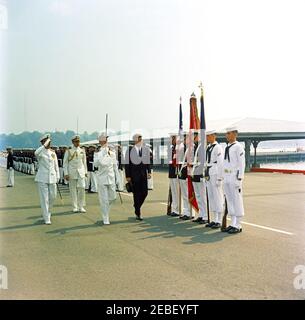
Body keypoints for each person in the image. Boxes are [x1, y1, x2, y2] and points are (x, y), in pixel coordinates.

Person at [222, 126, 245, 234]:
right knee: (230, 201)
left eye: (229, 133)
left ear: (235, 134)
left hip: (234, 177)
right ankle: (233, 223)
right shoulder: (228, 147)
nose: (227, 135)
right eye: (226, 133)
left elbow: (241, 165)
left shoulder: (238, 147)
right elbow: (225, 163)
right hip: (227, 177)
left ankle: (238, 224)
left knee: (236, 200)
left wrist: (239, 179)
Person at [94, 133, 119, 225]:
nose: (105, 141)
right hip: (102, 178)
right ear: (100, 141)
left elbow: (115, 166)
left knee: (113, 197)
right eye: (104, 139)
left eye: (106, 139)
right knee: (103, 199)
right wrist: (102, 154)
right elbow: (96, 165)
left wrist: (118, 179)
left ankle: (105, 211)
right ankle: (105, 217)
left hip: (111, 178)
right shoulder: (97, 153)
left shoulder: (112, 153)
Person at [124, 133, 151, 221]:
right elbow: (127, 164)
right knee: (136, 194)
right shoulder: (130, 150)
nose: (140, 140)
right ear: (135, 140)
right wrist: (127, 175)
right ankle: (138, 213)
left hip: (143, 175)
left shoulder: (145, 149)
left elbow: (147, 162)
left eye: (141, 138)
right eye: (139, 138)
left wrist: (149, 172)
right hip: (134, 176)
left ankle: (137, 205)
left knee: (145, 193)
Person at [34, 134, 59, 225]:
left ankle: (48, 212)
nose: (49, 143)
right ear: (42, 142)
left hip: (52, 177)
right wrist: (44, 145)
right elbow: (36, 153)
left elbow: (56, 165)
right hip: (42, 177)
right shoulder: (40, 152)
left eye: (49, 141)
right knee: (44, 198)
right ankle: (46, 217)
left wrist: (58, 176)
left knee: (53, 196)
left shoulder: (53, 152)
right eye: (47, 141)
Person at [205, 130, 224, 229]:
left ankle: (219, 220)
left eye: (208, 136)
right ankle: (214, 218)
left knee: (218, 197)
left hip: (216, 173)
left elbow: (221, 163)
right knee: (211, 197)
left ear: (213, 136)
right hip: (209, 172)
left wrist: (220, 178)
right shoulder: (208, 147)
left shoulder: (218, 148)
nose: (207, 138)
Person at [63, 135, 88, 213]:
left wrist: (85, 172)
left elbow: (84, 162)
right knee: (73, 190)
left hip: (81, 171)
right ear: (73, 142)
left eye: (78, 141)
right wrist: (66, 173)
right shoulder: (69, 150)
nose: (78, 143)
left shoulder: (82, 150)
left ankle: (81, 206)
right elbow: (65, 163)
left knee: (82, 188)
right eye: (76, 141)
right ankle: (75, 206)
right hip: (72, 172)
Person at [190, 131, 209, 224]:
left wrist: (202, 173)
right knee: (198, 196)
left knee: (202, 196)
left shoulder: (203, 147)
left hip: (200, 173)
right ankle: (201, 215)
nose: (194, 137)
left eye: (195, 136)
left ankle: (205, 216)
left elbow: (203, 161)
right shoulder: (197, 146)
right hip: (195, 173)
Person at [177, 132, 192, 220]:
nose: (185, 139)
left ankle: (190, 212)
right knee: (184, 195)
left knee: (188, 194)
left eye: (186, 137)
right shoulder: (184, 148)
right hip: (183, 173)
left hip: (188, 174)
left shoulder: (192, 147)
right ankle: (186, 211)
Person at [167, 133, 180, 217]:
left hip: (176, 173)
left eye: (172, 138)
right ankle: (174, 209)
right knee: (174, 193)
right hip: (171, 173)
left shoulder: (178, 148)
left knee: (177, 192)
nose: (171, 140)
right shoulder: (172, 148)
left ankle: (177, 209)